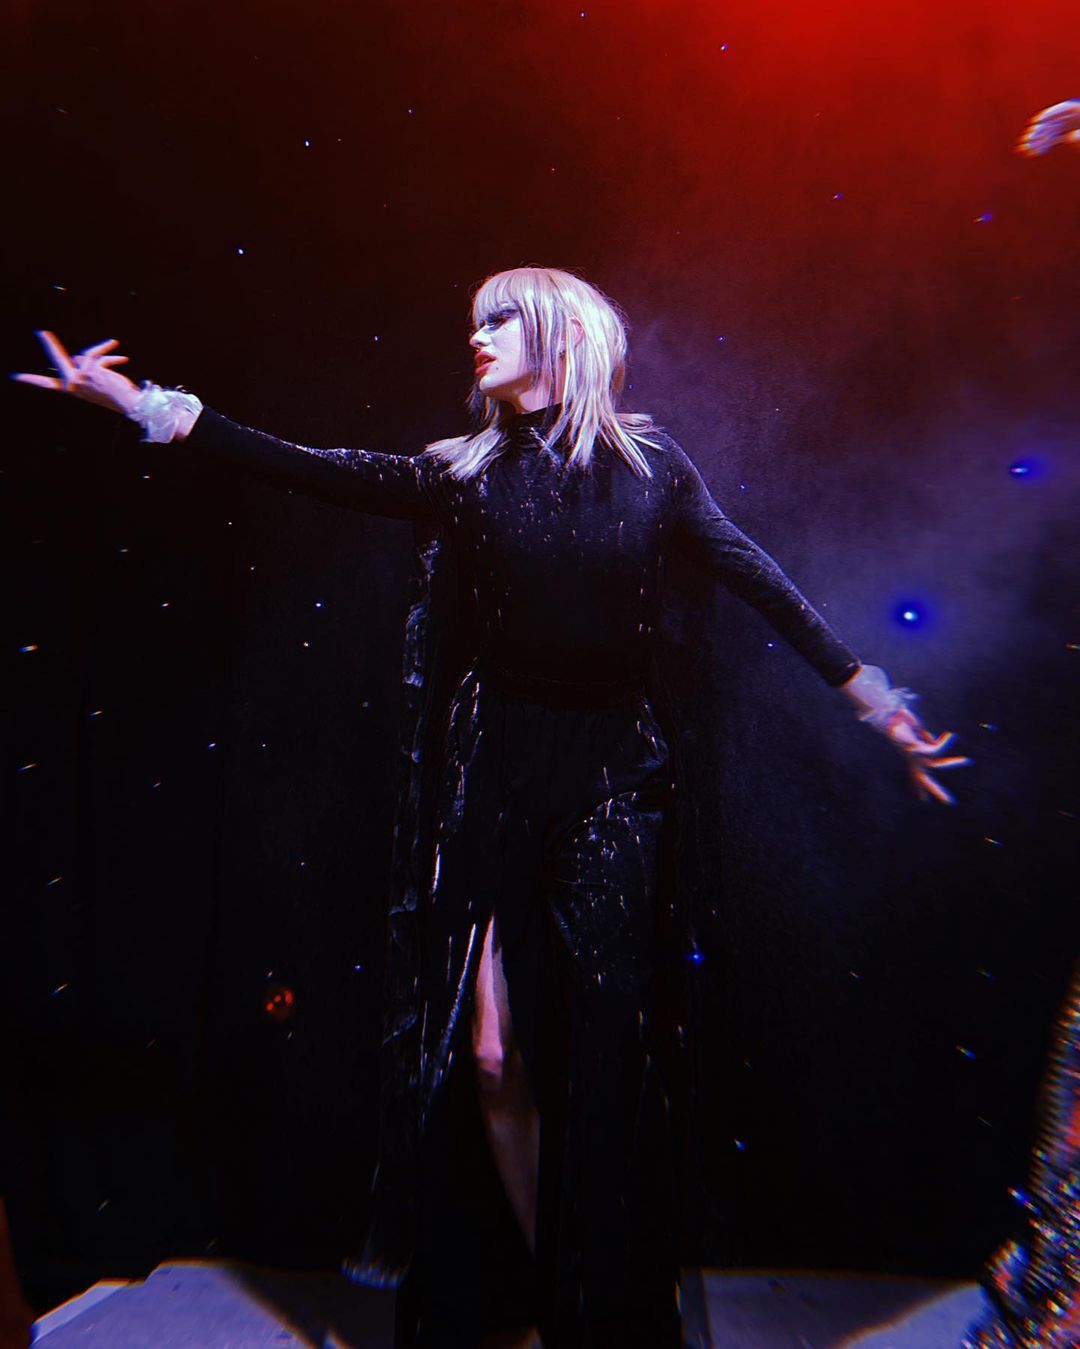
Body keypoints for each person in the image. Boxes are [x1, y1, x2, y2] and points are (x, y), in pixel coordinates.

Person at [16, 267, 966, 1348]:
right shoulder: (463, 472)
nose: (478, 334)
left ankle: (598, 1310)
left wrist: (876, 700)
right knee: (491, 1061)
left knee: (602, 1065)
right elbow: (308, 466)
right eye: (476, 319)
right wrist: (143, 405)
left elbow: (756, 575)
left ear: (563, 334)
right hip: (495, 779)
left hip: (614, 786)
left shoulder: (651, 469)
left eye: (502, 317)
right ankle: (553, 1287)